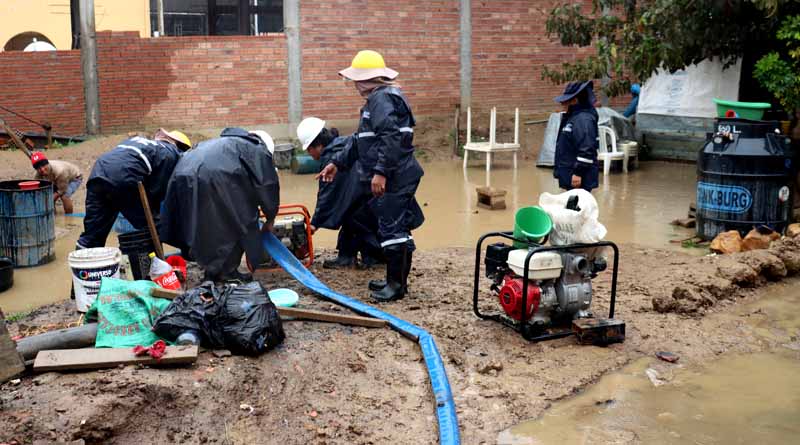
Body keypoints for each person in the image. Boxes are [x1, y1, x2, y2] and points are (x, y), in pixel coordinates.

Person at [317, 50, 424, 302]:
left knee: (391, 229)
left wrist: (380, 173)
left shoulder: (382, 100)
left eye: (356, 79)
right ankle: (396, 282)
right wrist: (337, 163)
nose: (354, 84)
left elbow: (391, 138)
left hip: (395, 176)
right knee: (397, 227)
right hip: (401, 173)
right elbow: (360, 139)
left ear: (367, 79)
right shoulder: (382, 99)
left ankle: (395, 286)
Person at [159, 128, 280, 282]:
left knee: (204, 225)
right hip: (213, 177)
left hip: (183, 175)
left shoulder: (221, 142)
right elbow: (267, 185)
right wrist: (270, 218)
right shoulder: (257, 149)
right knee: (239, 221)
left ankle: (214, 270)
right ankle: (226, 272)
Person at [77, 129, 191, 249]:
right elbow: (157, 191)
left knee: (93, 234)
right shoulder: (170, 153)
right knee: (152, 227)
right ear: (179, 147)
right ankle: (187, 253)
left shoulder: (140, 143)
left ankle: (84, 264)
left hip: (98, 174)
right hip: (124, 176)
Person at [297, 117, 383, 270]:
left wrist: (315, 223)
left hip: (365, 201)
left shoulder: (330, 158)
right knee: (347, 213)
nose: (310, 155)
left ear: (316, 146)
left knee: (357, 220)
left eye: (309, 150)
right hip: (372, 194)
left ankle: (374, 258)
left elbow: (327, 193)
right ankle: (346, 257)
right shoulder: (345, 143)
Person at [553, 80, 600, 192]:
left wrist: (578, 173)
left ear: (574, 101)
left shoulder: (583, 119)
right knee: (571, 208)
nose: (562, 104)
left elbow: (587, 148)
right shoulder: (574, 117)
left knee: (577, 208)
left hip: (578, 178)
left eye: (565, 101)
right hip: (570, 173)